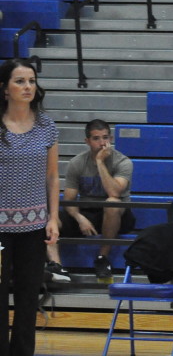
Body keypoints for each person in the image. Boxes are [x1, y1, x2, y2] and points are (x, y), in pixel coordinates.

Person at [0, 58, 58, 356]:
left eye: (31, 80)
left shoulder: (47, 127)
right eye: (20, 81)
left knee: (26, 299)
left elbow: (52, 176)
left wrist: (53, 217)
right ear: (5, 88)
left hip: (33, 228)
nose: (27, 87)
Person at [46, 119, 135, 281]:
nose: (102, 143)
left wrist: (100, 162)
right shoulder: (77, 163)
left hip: (119, 215)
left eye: (105, 137)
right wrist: (80, 218)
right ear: (87, 141)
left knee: (112, 203)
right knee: (51, 219)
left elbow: (114, 191)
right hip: (88, 211)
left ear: (111, 139)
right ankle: (56, 265)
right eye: (96, 138)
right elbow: (69, 200)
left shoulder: (123, 162)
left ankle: (102, 258)